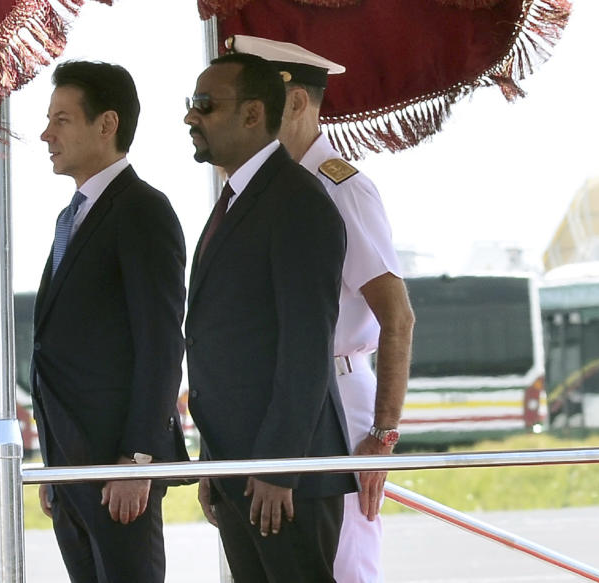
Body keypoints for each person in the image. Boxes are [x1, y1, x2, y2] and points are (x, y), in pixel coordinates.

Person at [230, 35, 416, 583]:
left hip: (338, 398)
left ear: (294, 103)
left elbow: (397, 317)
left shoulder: (340, 188)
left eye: (256, 102)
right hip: (278, 400)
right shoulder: (258, 192)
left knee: (342, 561)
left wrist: (382, 435)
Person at [183, 51, 357, 583]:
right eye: (190, 105)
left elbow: (305, 345)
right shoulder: (238, 197)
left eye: (205, 105)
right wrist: (217, 463)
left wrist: (279, 465)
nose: (191, 118)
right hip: (241, 466)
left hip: (284, 476)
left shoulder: (297, 200)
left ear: (254, 114)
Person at [32, 60, 189, 583]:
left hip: (119, 469)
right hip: (73, 466)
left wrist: (139, 457)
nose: (45, 134)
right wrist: (53, 466)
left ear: (107, 124)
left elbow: (162, 343)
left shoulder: (142, 210)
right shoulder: (71, 217)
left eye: (61, 120)